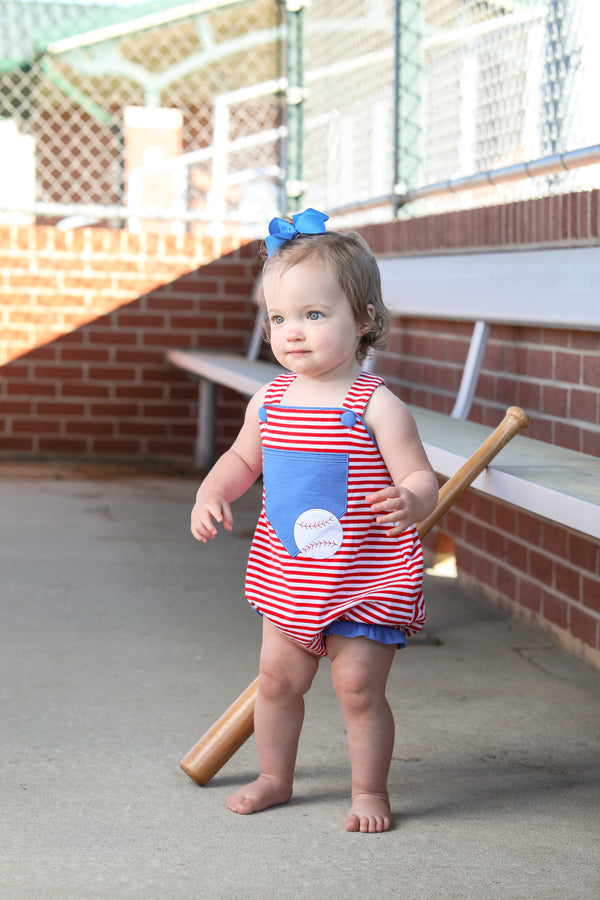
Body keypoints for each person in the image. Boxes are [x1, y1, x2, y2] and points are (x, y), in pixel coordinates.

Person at [190, 209, 439, 833]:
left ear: (365, 321)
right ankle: (275, 777)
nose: (292, 333)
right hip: (290, 574)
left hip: (365, 574)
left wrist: (410, 500)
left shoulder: (375, 404)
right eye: (279, 318)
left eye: (314, 315)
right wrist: (211, 491)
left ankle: (369, 791)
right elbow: (243, 458)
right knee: (276, 682)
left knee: (357, 688)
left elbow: (420, 478)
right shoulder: (270, 399)